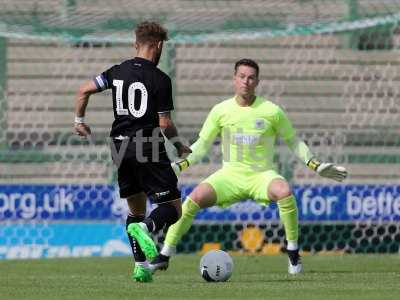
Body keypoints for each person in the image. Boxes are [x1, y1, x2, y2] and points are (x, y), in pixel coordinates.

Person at [149, 58, 347, 275]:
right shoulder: (220, 110)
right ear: (235, 79)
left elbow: (294, 142)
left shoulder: (271, 111)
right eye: (242, 76)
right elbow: (202, 145)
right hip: (229, 176)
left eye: (251, 77)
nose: (246, 81)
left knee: (284, 191)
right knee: (193, 198)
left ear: (257, 81)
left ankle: (293, 252)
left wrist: (315, 165)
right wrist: (179, 166)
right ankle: (165, 255)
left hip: (261, 175)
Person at [74, 21, 191, 282]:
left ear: (136, 44)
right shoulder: (160, 79)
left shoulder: (117, 71)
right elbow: (164, 123)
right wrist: (178, 145)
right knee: (172, 208)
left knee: (135, 209)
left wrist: (78, 121)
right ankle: (147, 228)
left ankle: (140, 266)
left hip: (119, 145)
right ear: (158, 45)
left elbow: (84, 90)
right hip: (146, 143)